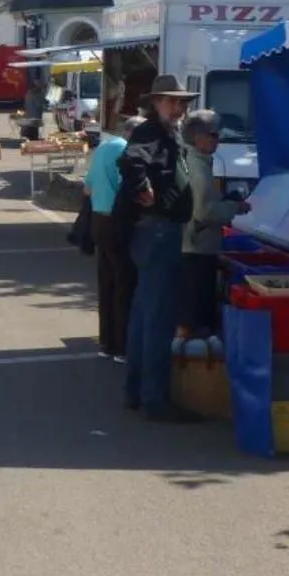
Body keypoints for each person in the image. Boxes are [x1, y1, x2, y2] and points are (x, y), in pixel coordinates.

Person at [116, 77, 200, 421]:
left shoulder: (165, 133)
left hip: (158, 230)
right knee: (158, 317)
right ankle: (154, 398)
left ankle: (137, 391)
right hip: (158, 231)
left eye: (183, 103)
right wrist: (143, 189)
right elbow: (130, 161)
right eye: (172, 102)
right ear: (156, 103)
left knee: (145, 314)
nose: (179, 108)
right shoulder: (150, 131)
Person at [179, 109, 249, 338]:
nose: (218, 139)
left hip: (194, 243)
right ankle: (195, 351)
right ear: (198, 137)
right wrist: (234, 208)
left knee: (192, 308)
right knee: (196, 311)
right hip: (197, 246)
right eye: (214, 135)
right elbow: (204, 211)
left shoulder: (194, 160)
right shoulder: (197, 167)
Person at [85, 120, 134, 359]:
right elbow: (129, 191)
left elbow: (87, 189)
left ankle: (107, 342)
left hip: (98, 220)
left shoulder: (103, 147)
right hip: (117, 220)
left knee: (106, 283)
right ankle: (122, 346)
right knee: (124, 285)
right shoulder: (126, 151)